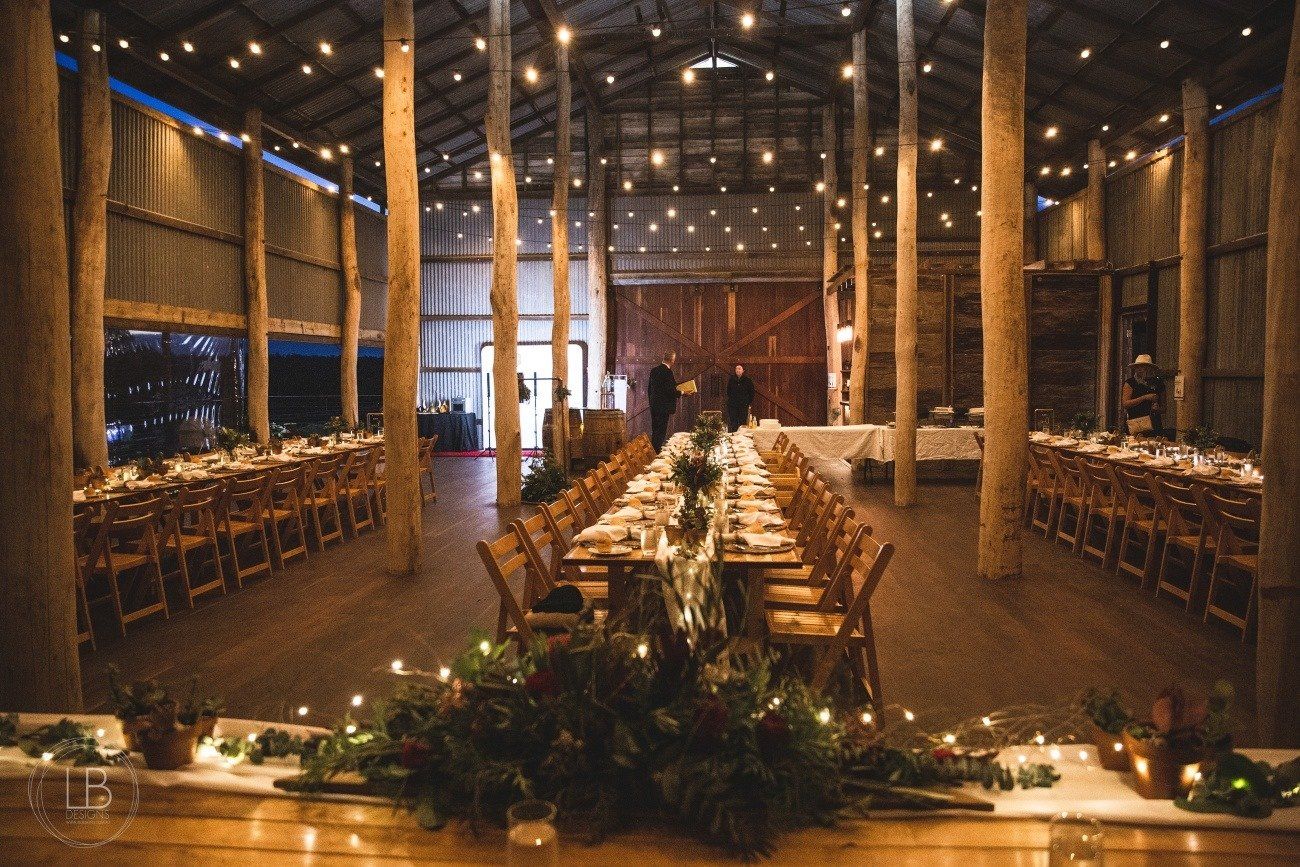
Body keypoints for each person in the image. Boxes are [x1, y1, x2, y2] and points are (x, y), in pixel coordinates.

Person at [1122, 354, 1163, 435]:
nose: (1140, 369)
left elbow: (1164, 408)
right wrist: (1144, 398)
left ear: (1150, 368)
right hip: (1136, 422)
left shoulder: (1159, 383)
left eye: (1143, 367)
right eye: (1138, 367)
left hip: (1154, 423)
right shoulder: (1130, 383)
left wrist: (1157, 408)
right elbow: (1125, 404)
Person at [648, 351, 679, 450]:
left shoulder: (654, 370)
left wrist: (652, 403)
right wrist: (682, 392)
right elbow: (670, 391)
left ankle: (653, 454)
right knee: (660, 433)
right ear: (672, 360)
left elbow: (649, 389)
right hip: (664, 408)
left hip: (654, 407)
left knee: (655, 432)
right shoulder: (668, 372)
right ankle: (656, 455)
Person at [725, 364, 755, 432]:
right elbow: (728, 391)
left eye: (739, 369)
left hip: (743, 405)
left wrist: (748, 402)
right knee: (733, 422)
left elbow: (751, 392)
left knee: (742, 422)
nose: (737, 370)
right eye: (736, 369)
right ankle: (733, 436)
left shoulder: (747, 380)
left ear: (743, 371)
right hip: (733, 405)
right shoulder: (731, 379)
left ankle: (742, 437)